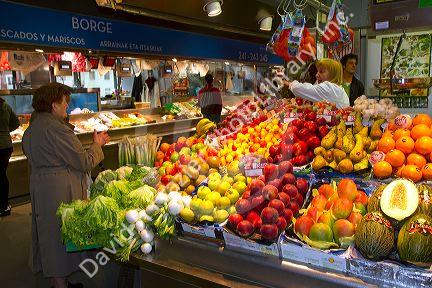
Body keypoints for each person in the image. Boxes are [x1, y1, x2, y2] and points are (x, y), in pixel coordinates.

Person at [22, 83, 110, 288]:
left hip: (41, 187)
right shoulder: (57, 130)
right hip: (58, 190)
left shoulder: (33, 128)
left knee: (48, 234)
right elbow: (84, 161)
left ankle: (58, 281)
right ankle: (60, 284)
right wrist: (97, 144)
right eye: (64, 104)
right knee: (59, 236)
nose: (67, 108)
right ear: (53, 105)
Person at [284, 58, 349, 109]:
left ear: (333, 74)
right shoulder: (338, 89)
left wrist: (288, 83)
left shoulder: (329, 88)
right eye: (317, 71)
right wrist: (300, 108)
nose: (317, 75)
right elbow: (316, 107)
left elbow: (299, 88)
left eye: (321, 72)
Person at [0, 97, 19, 217]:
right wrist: (5, 131)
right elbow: (16, 123)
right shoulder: (5, 105)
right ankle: (4, 206)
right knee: (2, 175)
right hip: (6, 145)